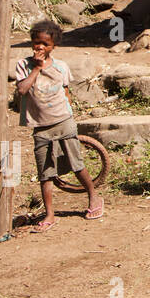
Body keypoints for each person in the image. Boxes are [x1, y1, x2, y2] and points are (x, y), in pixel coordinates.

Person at [15, 20, 102, 232]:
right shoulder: (23, 66)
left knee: (76, 163)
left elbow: (65, 93)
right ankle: (50, 214)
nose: (40, 47)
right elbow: (23, 90)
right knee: (45, 172)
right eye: (37, 43)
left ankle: (93, 195)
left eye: (45, 44)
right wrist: (36, 69)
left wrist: (71, 116)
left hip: (63, 121)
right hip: (40, 126)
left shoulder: (61, 66)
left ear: (53, 46)